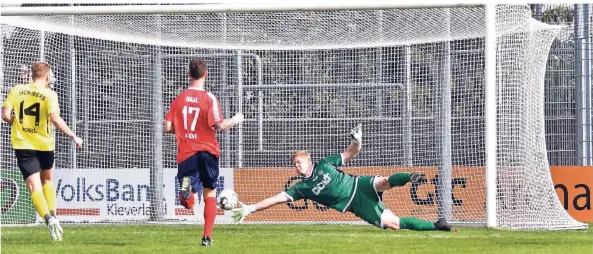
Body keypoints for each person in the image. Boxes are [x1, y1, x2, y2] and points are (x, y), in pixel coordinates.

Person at [232, 124, 452, 232]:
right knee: (394, 224)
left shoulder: (326, 164)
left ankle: (410, 177)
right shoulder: (301, 188)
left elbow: (350, 153)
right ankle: (437, 226)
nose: (296, 166)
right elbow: (276, 198)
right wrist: (250, 209)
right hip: (354, 205)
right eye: (294, 164)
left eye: (299, 161)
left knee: (384, 182)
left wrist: (357, 140)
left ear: (309, 160)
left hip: (359, 185)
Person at [164, 58, 244, 246]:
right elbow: (218, 125)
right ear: (206, 74)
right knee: (210, 192)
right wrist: (236, 119)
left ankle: (187, 192)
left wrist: (184, 131)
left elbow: (168, 127)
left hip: (186, 152)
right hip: (207, 151)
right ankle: (207, 237)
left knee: (187, 198)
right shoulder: (209, 98)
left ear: (188, 75)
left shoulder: (179, 99)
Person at [1, 61, 83, 241]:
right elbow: (55, 119)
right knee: (47, 180)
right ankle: (54, 217)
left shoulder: (17, 89)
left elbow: (6, 115)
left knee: (33, 187)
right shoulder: (49, 94)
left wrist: (18, 123)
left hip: (23, 145)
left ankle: (49, 220)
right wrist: (73, 136)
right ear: (47, 77)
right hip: (45, 144)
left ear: (31, 75)